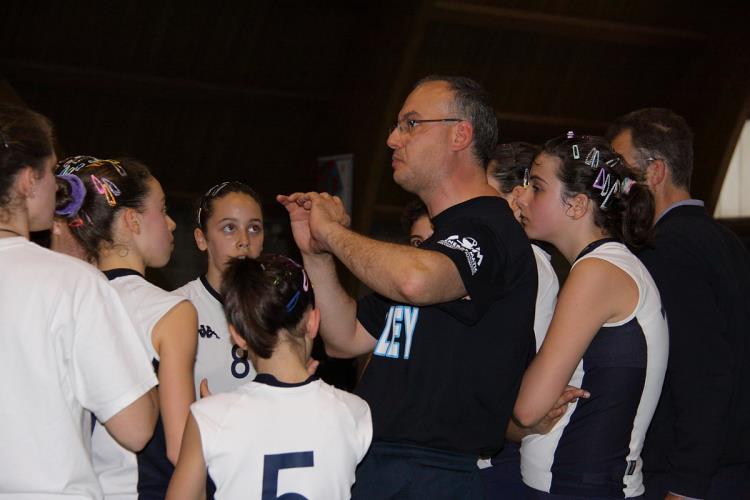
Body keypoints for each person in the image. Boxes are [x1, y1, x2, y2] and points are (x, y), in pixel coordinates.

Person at [279, 75, 538, 499]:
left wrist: (334, 234)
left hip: (432, 471)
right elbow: (345, 338)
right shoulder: (436, 243)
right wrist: (317, 252)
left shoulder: (492, 230)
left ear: (460, 134)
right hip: (381, 460)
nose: (392, 139)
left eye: (411, 124)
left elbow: (414, 282)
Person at [0, 104, 159, 498]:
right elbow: (136, 428)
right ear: (28, 180)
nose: (57, 187)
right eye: (52, 172)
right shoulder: (72, 282)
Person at [512, 134, 669, 498]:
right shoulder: (611, 265)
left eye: (537, 187)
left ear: (577, 205)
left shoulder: (597, 271)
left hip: (580, 484)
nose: (521, 197)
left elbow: (526, 408)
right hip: (582, 481)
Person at [609, 109, 750, 500]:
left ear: (654, 172)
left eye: (620, 170)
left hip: (691, 474)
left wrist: (686, 486)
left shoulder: (669, 249)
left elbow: (704, 372)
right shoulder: (723, 239)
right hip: (727, 464)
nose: (612, 185)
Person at [166, 254, 372, 500]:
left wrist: (216, 420)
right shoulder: (354, 413)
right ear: (313, 322)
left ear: (238, 336)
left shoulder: (210, 417)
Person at [66, 157, 198, 499]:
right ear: (132, 220)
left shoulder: (66, 299)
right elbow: (180, 450)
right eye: (162, 209)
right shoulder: (170, 311)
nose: (171, 223)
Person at [480, 141, 561, 498]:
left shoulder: (526, 263)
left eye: (484, 193)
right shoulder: (516, 258)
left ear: (514, 199)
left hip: (500, 447)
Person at [174, 181, 263, 397]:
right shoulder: (175, 307)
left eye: (254, 228)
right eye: (229, 228)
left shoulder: (280, 305)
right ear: (201, 239)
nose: (244, 241)